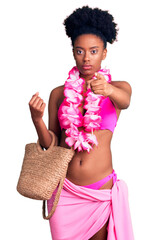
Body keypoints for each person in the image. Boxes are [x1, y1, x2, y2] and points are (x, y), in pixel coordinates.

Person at [29, 6, 134, 240]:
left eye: (94, 51)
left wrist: (107, 90)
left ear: (104, 53)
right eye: (80, 51)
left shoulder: (118, 89)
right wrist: (37, 120)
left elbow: (125, 101)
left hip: (99, 191)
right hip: (64, 193)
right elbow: (51, 145)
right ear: (73, 52)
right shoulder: (59, 94)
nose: (86, 58)